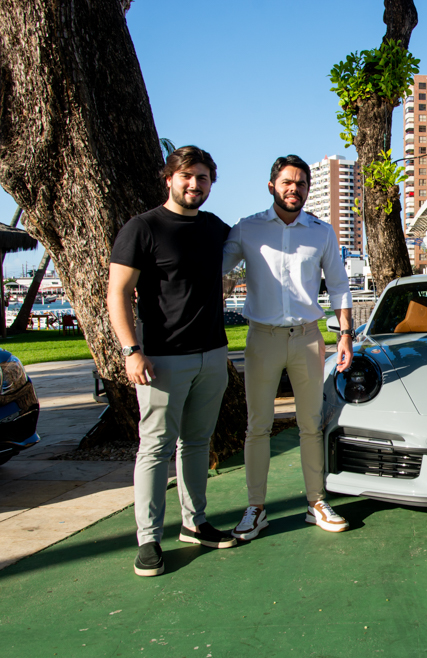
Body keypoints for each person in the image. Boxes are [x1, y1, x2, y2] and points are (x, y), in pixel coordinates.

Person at [108, 145, 236, 578]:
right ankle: (148, 539)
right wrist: (131, 350)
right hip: (161, 359)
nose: (194, 184)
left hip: (213, 355)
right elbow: (118, 293)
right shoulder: (142, 228)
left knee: (198, 443)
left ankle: (194, 522)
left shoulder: (216, 228)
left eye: (202, 178)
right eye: (186, 176)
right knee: (156, 447)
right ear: (169, 178)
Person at [224, 155, 354, 540]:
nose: (293, 188)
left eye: (300, 183)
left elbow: (340, 285)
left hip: (308, 338)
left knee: (311, 424)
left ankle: (316, 502)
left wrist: (344, 334)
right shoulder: (247, 229)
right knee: (258, 426)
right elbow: (212, 268)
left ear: (307, 189)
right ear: (271, 186)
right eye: (286, 182)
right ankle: (255, 508)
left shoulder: (321, 231)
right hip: (261, 338)